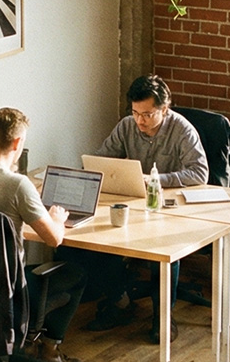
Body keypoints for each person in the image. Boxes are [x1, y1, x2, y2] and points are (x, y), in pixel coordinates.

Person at [0, 107, 87, 362]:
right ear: (18, 143)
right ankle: (49, 350)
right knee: (77, 273)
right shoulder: (17, 185)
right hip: (7, 292)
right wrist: (56, 217)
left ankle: (23, 344)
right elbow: (53, 239)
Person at [84, 75, 208, 341]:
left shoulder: (182, 130)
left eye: (148, 114)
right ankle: (120, 303)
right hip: (135, 205)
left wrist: (156, 181)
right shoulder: (127, 126)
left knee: (165, 253)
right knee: (95, 241)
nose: (140, 121)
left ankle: (163, 317)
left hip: (170, 209)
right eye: (135, 112)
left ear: (165, 109)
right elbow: (100, 161)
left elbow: (199, 173)